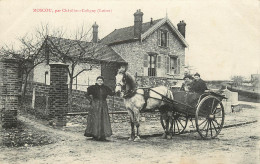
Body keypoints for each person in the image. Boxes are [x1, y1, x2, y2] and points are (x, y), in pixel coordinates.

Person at [84, 76, 115, 141]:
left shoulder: (106, 88)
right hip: (95, 105)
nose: (100, 82)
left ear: (103, 81)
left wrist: (117, 91)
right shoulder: (92, 88)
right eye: (98, 80)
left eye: (101, 80)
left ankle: (102, 135)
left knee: (103, 119)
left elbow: (111, 93)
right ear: (96, 81)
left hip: (103, 105)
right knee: (95, 119)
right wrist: (91, 101)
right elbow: (86, 94)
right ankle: (95, 134)